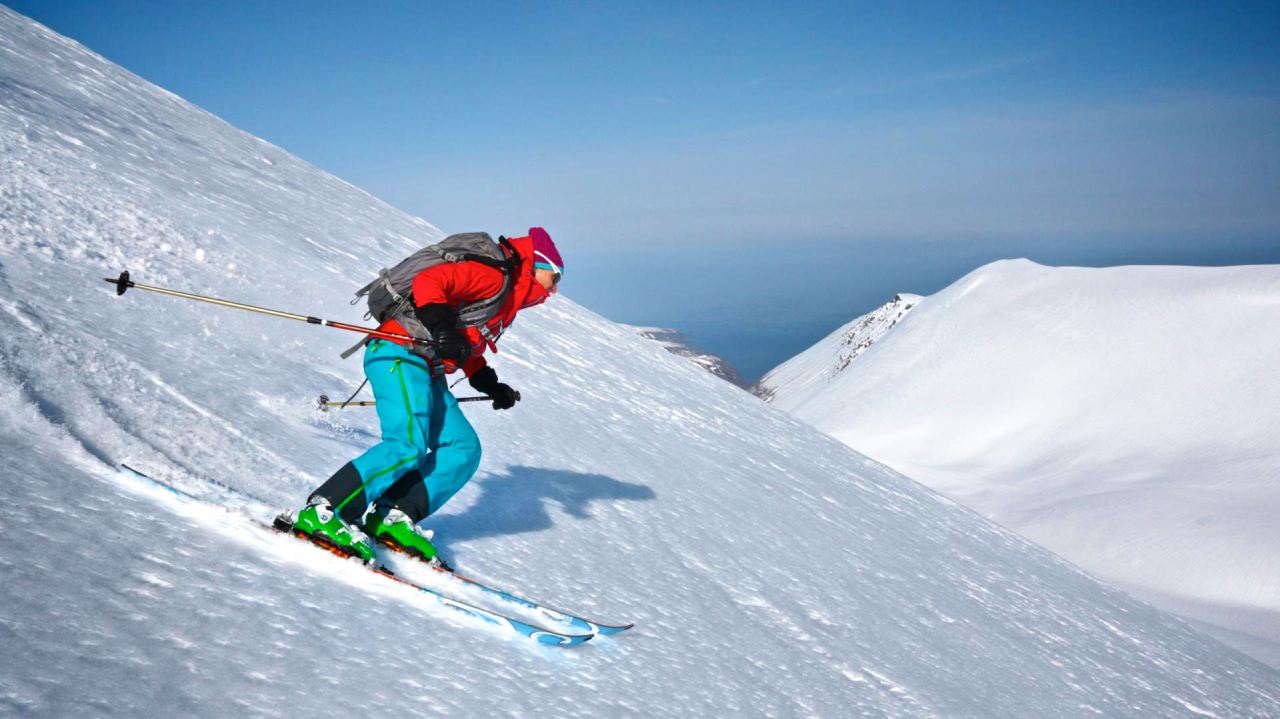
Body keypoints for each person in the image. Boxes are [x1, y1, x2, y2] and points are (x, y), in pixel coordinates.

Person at [287, 227, 564, 566]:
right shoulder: (494, 276)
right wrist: (442, 329)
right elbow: (430, 283)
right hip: (399, 352)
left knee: (463, 447)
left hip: (426, 367)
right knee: (406, 445)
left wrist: (489, 383)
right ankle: (326, 510)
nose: (555, 288)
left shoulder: (506, 297)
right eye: (555, 277)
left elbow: (464, 341)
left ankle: (393, 514)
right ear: (538, 264)